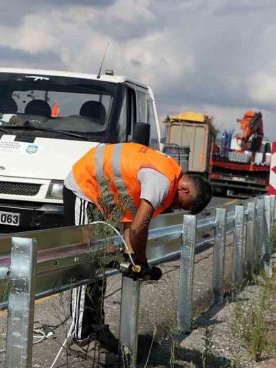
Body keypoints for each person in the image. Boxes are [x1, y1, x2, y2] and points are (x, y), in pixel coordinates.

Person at [62, 142, 213, 353]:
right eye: (182, 204)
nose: (176, 207)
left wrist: (135, 259)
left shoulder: (167, 174)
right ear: (185, 188)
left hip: (101, 196)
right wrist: (141, 263)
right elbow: (137, 229)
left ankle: (96, 328)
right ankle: (80, 336)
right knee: (86, 263)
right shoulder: (161, 182)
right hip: (84, 188)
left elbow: (133, 223)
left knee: (98, 266)